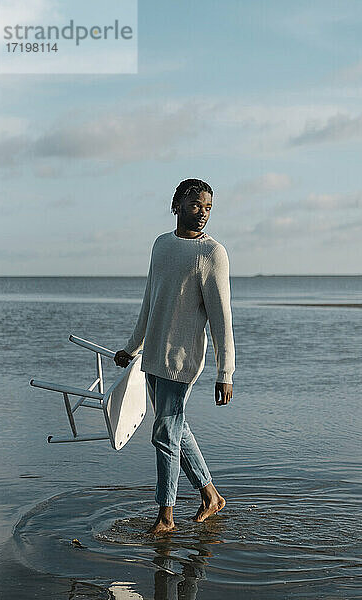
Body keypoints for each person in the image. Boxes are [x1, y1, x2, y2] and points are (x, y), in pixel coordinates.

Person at [114, 178, 235, 535]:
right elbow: (150, 300)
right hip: (152, 356)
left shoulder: (212, 254)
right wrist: (132, 347)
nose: (203, 214)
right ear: (177, 204)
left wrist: (225, 371)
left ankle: (165, 517)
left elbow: (221, 317)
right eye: (197, 205)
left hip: (182, 362)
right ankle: (210, 496)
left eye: (209, 208)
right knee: (176, 431)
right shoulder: (161, 246)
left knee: (164, 434)